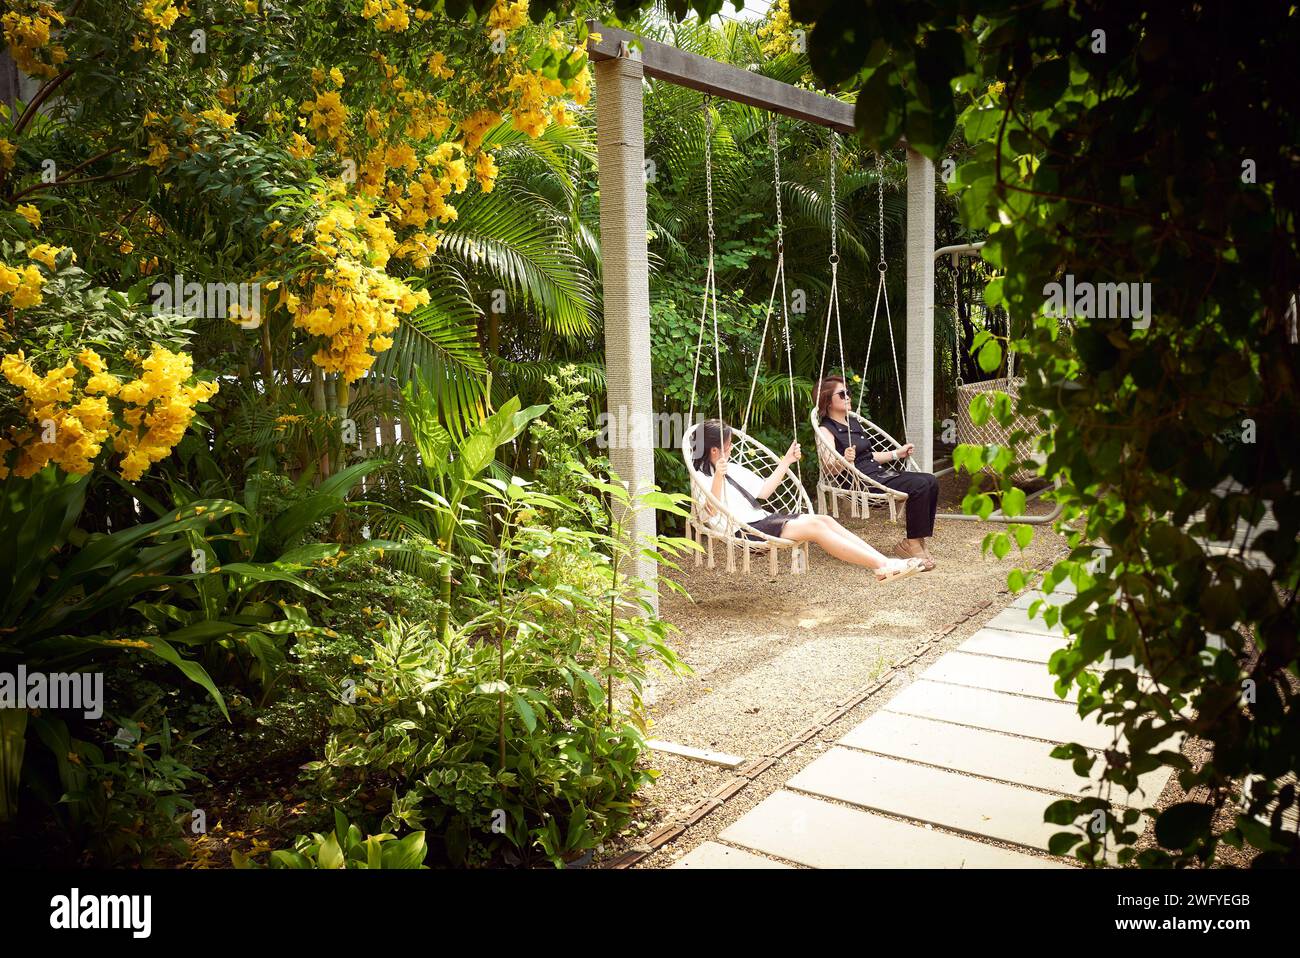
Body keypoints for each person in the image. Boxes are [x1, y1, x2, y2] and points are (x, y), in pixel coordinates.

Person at [690, 419, 923, 582]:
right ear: (714, 450)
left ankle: (885, 562)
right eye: (728, 444)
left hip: (762, 520)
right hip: (742, 530)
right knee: (815, 528)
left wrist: (787, 460)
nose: (731, 447)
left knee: (823, 520)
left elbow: (764, 492)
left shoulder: (733, 468)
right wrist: (719, 476)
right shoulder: (700, 478)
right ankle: (881, 566)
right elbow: (710, 511)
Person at [815, 376, 941, 571]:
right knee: (920, 485)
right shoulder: (826, 430)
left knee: (931, 480)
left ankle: (916, 541)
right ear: (827, 401)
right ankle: (912, 545)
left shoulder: (853, 423)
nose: (848, 396)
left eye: (848, 392)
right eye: (842, 394)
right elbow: (828, 468)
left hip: (877, 473)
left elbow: (868, 456)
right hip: (860, 481)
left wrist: (896, 454)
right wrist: (844, 460)